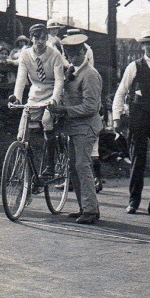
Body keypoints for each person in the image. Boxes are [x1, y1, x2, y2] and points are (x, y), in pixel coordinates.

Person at [113, 30, 150, 214]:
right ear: (143, 47)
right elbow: (121, 92)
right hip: (138, 118)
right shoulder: (134, 66)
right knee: (138, 160)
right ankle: (134, 201)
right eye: (147, 43)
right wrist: (116, 117)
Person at [48, 33, 103, 224]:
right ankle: (86, 208)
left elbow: (91, 107)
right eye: (68, 53)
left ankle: (90, 210)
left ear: (84, 52)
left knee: (82, 165)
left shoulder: (89, 74)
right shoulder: (73, 71)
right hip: (75, 127)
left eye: (75, 53)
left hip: (86, 127)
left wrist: (64, 110)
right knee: (74, 167)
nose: (71, 57)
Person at [11, 23, 66, 176]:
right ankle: (26, 171)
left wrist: (54, 100)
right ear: (31, 38)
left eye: (43, 38)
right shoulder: (25, 55)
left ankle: (50, 166)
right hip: (35, 94)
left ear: (47, 38)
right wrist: (17, 98)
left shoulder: (54, 54)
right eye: (36, 38)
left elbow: (59, 80)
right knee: (22, 132)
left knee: (47, 120)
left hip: (53, 92)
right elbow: (21, 79)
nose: (40, 42)